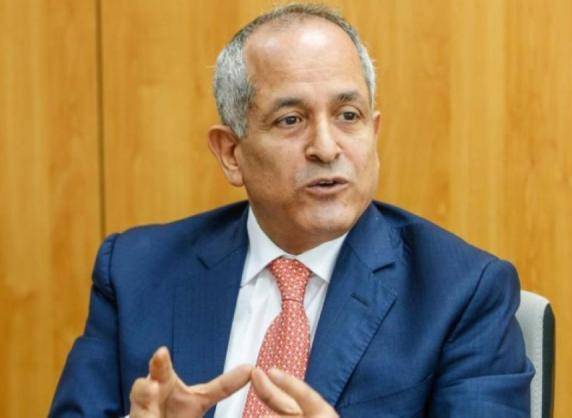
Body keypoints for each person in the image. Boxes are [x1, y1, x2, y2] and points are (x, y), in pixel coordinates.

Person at [49, 4, 534, 417]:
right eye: (290, 120)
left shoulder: (460, 292)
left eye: (348, 116)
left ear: (374, 133)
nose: (326, 147)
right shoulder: (136, 271)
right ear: (231, 153)